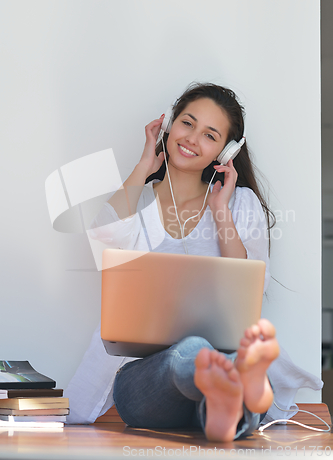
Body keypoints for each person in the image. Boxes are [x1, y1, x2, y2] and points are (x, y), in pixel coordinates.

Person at [67, 83, 281, 441]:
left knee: (210, 361)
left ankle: (224, 410)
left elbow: (251, 286)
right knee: (193, 354)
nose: (193, 139)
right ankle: (239, 385)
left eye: (210, 135)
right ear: (168, 125)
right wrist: (143, 166)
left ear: (226, 152)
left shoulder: (238, 204)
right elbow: (103, 235)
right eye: (187, 123)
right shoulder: (138, 202)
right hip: (147, 381)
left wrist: (219, 211)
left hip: (215, 367)